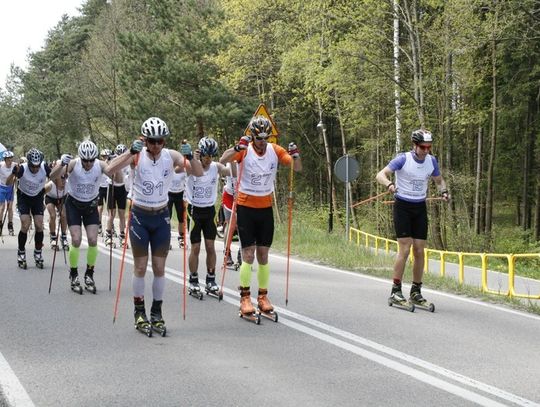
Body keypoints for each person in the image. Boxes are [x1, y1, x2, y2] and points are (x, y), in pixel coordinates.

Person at [107, 117, 203, 334]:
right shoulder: (137, 156)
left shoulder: (171, 156)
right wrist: (130, 152)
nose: (156, 145)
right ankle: (139, 311)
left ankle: (157, 312)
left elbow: (198, 172)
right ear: (145, 140)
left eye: (160, 141)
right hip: (140, 216)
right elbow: (109, 169)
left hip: (161, 217)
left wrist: (189, 156)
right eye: (152, 141)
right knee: (140, 267)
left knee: (159, 268)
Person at [220, 116, 302, 316]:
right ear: (253, 136)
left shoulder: (275, 150)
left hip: (265, 207)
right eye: (259, 138)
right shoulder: (245, 150)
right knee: (248, 254)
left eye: (266, 137)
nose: (263, 142)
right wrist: (238, 148)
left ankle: (263, 296)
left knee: (263, 255)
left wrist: (296, 156)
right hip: (246, 206)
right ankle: (245, 298)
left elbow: (296, 168)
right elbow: (223, 159)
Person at [375, 129, 449, 306]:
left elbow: (439, 181)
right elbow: (380, 175)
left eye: (429, 147)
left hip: (419, 207)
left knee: (419, 250)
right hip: (403, 206)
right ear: (414, 145)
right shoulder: (403, 159)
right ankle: (395, 290)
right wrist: (389, 184)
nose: (426, 150)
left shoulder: (431, 161)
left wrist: (444, 191)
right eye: (423, 147)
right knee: (405, 249)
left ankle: (416, 291)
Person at [50, 140, 113, 294]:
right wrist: (61, 165)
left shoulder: (100, 164)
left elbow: (114, 174)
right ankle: (73, 274)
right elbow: (53, 176)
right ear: (81, 158)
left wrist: (115, 162)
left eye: (91, 160)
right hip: (73, 204)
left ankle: (89, 274)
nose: (88, 164)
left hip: (91, 205)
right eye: (85, 160)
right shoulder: (73, 163)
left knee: (92, 239)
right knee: (76, 239)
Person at [185, 136, 231, 297]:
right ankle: (193, 279)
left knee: (211, 247)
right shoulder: (192, 166)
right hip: (194, 210)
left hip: (209, 210)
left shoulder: (215, 166)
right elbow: (182, 170)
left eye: (211, 156)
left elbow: (231, 171)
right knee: (196, 247)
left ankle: (211, 279)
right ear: (200, 153)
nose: (208, 159)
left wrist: (237, 156)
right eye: (206, 156)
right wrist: (192, 159)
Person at [7, 148, 51, 269]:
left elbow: (54, 177)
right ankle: (21, 252)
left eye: (37, 166)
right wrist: (13, 173)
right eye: (33, 166)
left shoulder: (44, 167)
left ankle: (38, 253)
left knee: (39, 224)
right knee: (25, 224)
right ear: (29, 163)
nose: (35, 169)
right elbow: (7, 183)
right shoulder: (22, 168)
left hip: (37, 197)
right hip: (24, 197)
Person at [105, 144, 129, 248]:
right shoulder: (113, 161)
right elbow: (106, 167)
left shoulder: (128, 162)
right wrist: (110, 160)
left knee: (122, 214)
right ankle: (108, 235)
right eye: (119, 154)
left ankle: (122, 236)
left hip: (122, 188)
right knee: (112, 213)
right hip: (112, 187)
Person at [44, 167, 69, 250]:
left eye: (65, 178)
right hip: (50, 198)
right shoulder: (50, 185)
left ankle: (64, 236)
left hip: (62, 198)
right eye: (61, 179)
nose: (63, 181)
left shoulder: (68, 184)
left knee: (64, 215)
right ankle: (53, 236)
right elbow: (41, 193)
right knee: (52, 215)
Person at [167, 163, 187, 249]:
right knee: (168, 217)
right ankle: (166, 239)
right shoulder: (168, 168)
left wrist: (186, 197)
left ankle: (181, 238)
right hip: (169, 194)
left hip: (180, 194)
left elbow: (187, 182)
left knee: (181, 217)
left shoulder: (183, 169)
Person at [0, 151, 16, 236]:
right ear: (5, 160)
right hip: (1, 187)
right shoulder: (1, 165)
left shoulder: (14, 165)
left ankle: (10, 225)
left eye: (11, 159)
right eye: (8, 160)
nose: (10, 161)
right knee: (2, 208)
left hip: (10, 188)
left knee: (10, 208)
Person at [97, 148, 112, 236]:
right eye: (103, 156)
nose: (105, 158)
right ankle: (99, 225)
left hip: (108, 187)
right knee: (100, 208)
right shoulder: (99, 164)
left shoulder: (110, 164)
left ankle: (111, 226)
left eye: (106, 156)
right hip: (100, 188)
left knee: (110, 208)